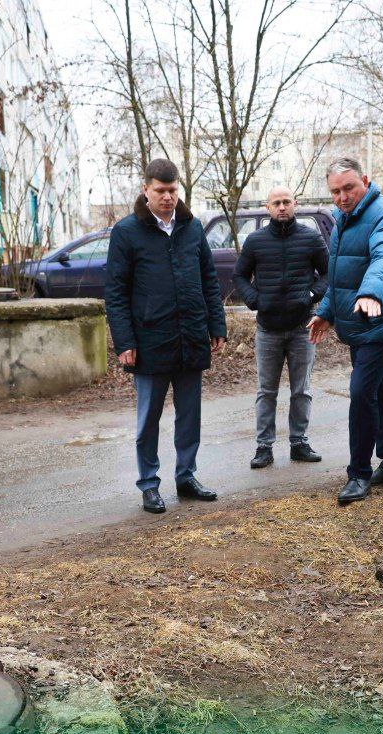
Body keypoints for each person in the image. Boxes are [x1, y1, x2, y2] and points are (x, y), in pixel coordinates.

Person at [105, 158, 227, 513]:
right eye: (160, 190)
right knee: (148, 420)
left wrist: (216, 324)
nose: (167, 197)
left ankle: (186, 477)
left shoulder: (192, 227)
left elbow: (208, 279)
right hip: (149, 341)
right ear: (146, 189)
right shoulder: (126, 232)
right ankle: (149, 484)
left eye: (173, 190)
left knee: (190, 416)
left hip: (190, 336)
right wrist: (124, 341)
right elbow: (116, 291)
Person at [307, 158, 383, 505]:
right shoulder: (344, 219)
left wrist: (372, 292)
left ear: (365, 181)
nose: (342, 197)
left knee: (362, 391)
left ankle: (359, 473)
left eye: (349, 188)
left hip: (382, 319)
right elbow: (340, 276)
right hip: (360, 320)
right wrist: (326, 312)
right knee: (381, 389)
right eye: (335, 191)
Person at [233, 186, 329, 469]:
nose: (282, 207)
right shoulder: (255, 241)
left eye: (286, 202)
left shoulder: (311, 238)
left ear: (295, 204)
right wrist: (255, 300)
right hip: (268, 330)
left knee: (302, 390)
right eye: (276, 203)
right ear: (268, 207)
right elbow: (239, 276)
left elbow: (329, 273)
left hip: (302, 328)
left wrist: (311, 295)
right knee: (266, 392)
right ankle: (264, 447)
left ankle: (299, 443)